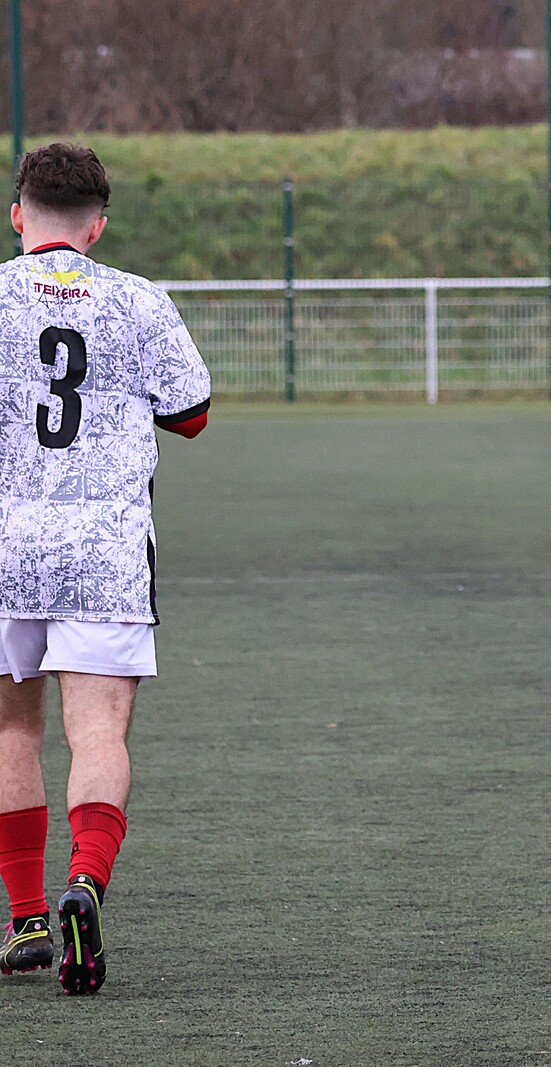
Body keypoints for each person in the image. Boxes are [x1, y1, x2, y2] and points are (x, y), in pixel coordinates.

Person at [0, 143, 210, 995]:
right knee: (97, 735)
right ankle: (85, 881)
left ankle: (25, 919)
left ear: (19, 214)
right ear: (97, 225)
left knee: (11, 732)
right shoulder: (137, 299)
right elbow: (191, 414)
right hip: (104, 549)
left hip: (6, 542)